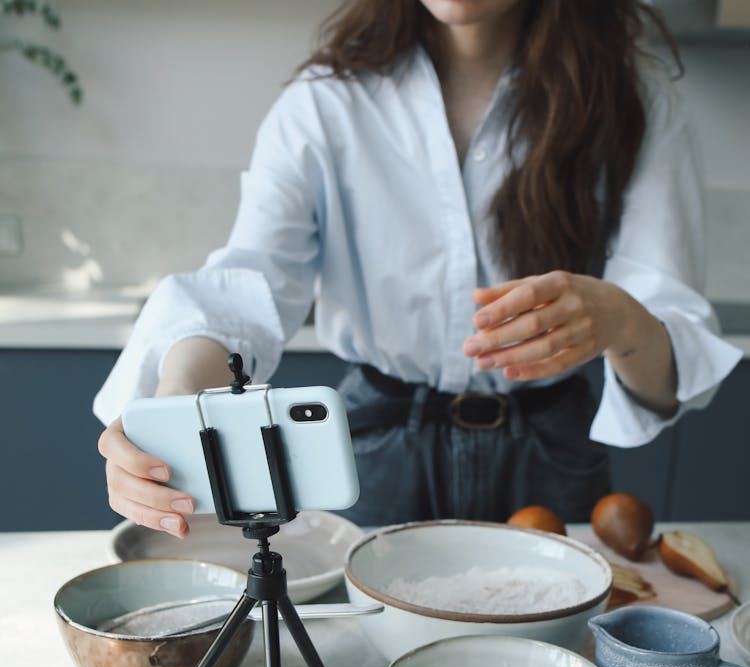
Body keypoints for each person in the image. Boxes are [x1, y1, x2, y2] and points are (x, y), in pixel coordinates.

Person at [95, 0, 741, 534]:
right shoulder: (325, 104)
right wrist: (174, 407)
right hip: (374, 453)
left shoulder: (633, 100)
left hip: (551, 456)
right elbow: (246, 285)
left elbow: (667, 377)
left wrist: (617, 318)